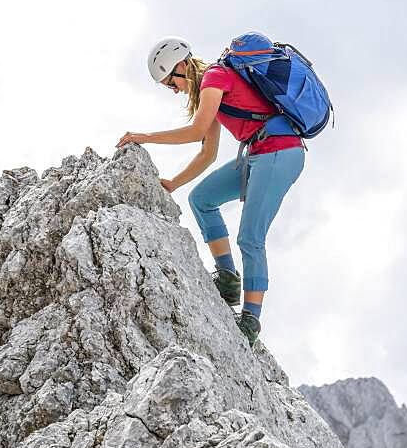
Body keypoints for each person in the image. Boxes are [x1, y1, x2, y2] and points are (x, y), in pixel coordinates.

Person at [116, 36, 305, 347]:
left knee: (250, 238)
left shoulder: (215, 77)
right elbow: (208, 153)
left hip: (279, 152)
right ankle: (228, 281)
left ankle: (251, 320)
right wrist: (174, 184)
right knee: (201, 199)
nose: (173, 90)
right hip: (258, 153)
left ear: (180, 65)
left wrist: (144, 137)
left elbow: (196, 132)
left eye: (169, 82)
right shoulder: (212, 87)